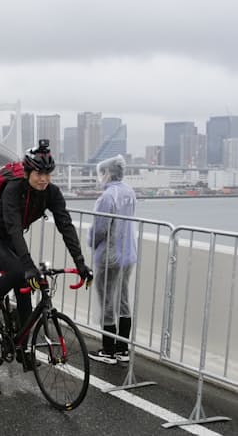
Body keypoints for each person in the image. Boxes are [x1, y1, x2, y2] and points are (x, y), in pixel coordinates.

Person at [0, 140, 93, 348]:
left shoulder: (52, 193)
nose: (44, 179)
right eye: (39, 174)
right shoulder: (13, 189)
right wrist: (28, 265)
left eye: (48, 174)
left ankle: (22, 347)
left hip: (11, 238)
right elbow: (13, 228)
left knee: (25, 287)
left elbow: (66, 227)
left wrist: (80, 263)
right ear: (27, 173)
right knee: (19, 271)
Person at [87, 155, 137, 365]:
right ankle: (122, 349)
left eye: (102, 173)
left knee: (107, 301)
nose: (101, 177)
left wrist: (91, 242)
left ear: (108, 173)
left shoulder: (107, 197)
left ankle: (108, 350)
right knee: (123, 300)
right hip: (128, 254)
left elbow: (100, 228)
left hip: (109, 256)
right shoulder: (129, 192)